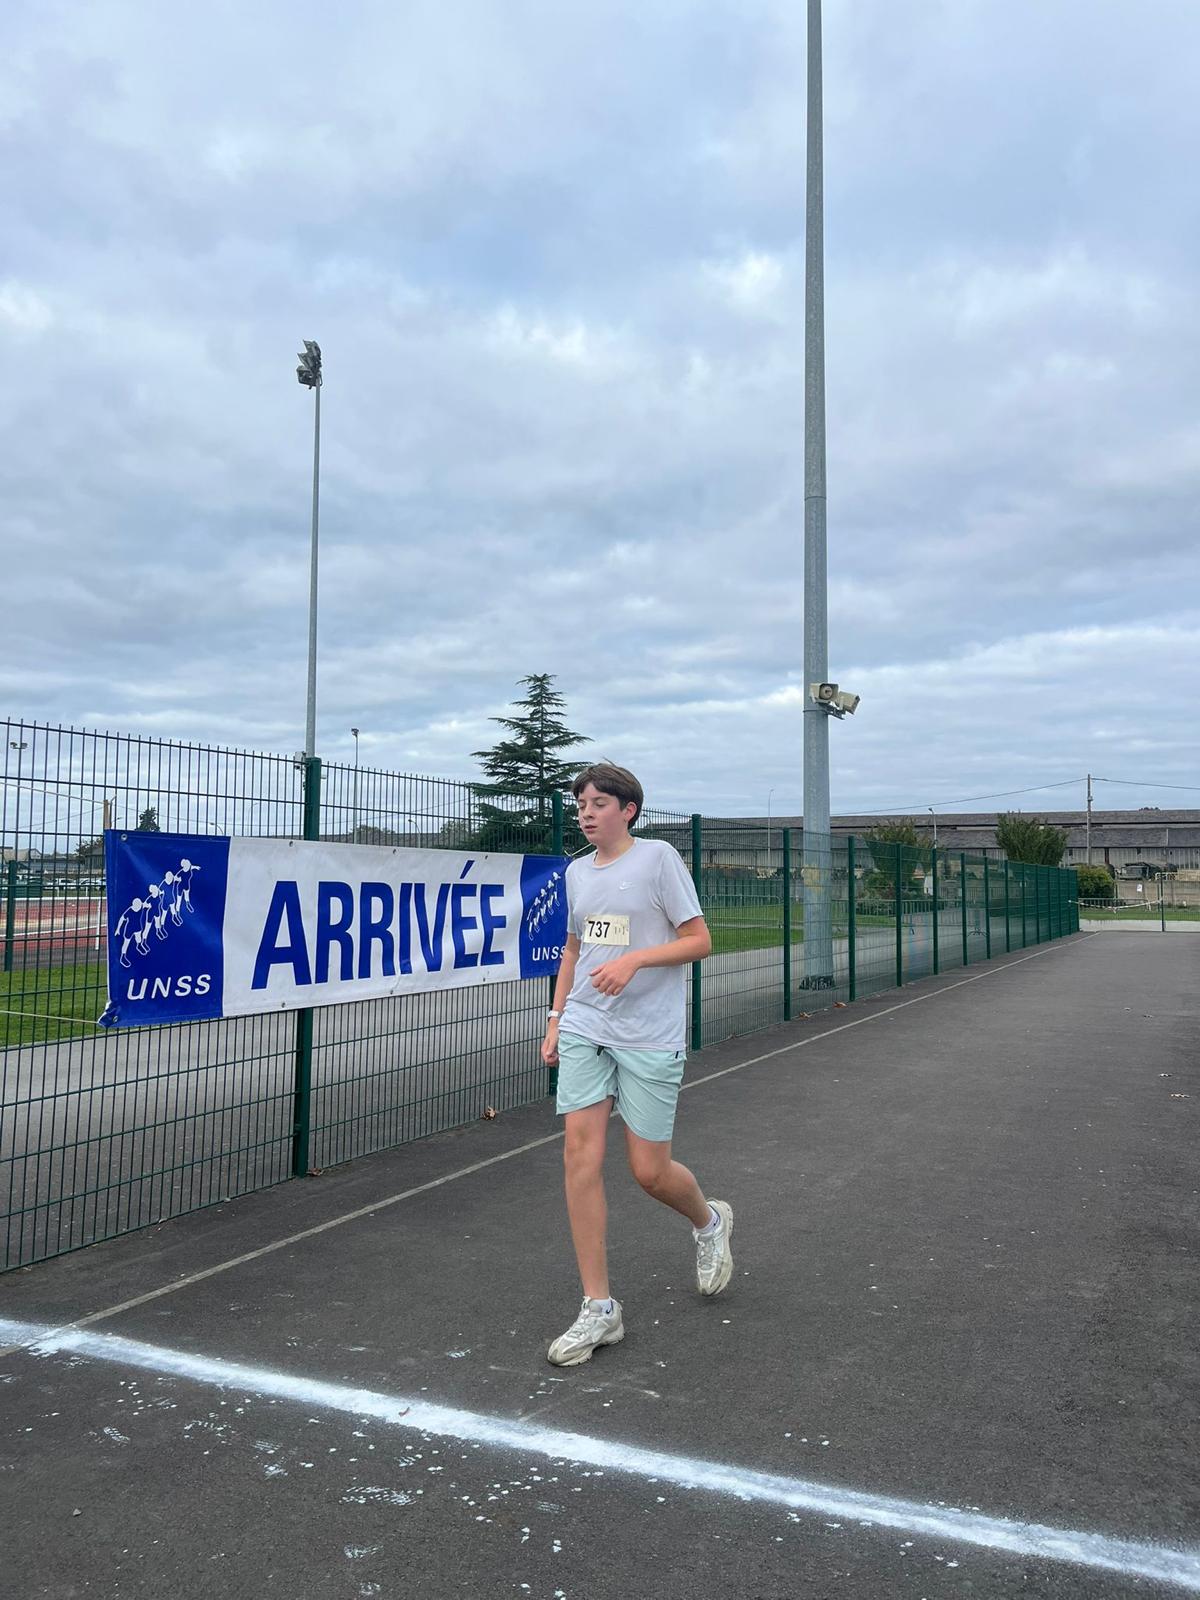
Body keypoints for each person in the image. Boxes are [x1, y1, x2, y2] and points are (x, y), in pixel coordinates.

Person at [541, 762, 732, 1367]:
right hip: (585, 1027)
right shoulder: (576, 872)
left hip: (649, 1035)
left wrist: (635, 961)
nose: (586, 812)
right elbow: (574, 950)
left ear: (628, 810)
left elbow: (699, 940)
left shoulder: (657, 859)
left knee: (649, 1172)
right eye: (581, 804)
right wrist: (556, 1017)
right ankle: (599, 1308)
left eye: (598, 803)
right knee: (579, 1156)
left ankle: (708, 1222)